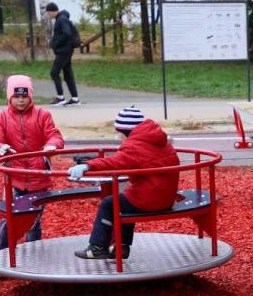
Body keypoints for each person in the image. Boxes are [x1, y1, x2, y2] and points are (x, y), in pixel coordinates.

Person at [67, 107, 180, 259]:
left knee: (109, 204)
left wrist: (88, 165)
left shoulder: (135, 146)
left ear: (126, 131)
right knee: (125, 202)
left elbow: (114, 162)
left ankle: (97, 247)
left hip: (150, 199)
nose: (118, 137)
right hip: (166, 197)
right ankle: (120, 247)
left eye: (118, 132)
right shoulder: (159, 140)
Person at [0, 74, 64, 251]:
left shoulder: (42, 115)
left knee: (33, 221)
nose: (21, 101)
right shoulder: (2, 118)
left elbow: (54, 135)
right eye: (16, 97)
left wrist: (51, 146)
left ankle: (33, 256)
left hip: (38, 177)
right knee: (8, 218)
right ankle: (5, 255)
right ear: (9, 97)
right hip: (14, 177)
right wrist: (1, 148)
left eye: (24, 96)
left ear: (30, 96)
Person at [45, 2, 80, 106]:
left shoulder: (61, 19)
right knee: (68, 74)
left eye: (48, 12)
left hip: (64, 51)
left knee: (54, 72)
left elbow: (67, 33)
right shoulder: (61, 18)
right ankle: (75, 98)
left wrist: (56, 43)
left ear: (52, 11)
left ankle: (61, 97)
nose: (48, 14)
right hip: (65, 50)